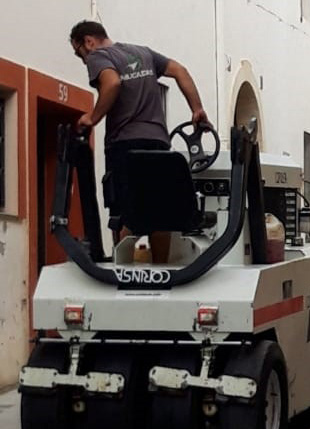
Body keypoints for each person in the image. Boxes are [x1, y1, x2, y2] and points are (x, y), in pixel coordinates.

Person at [69, 20, 209, 263]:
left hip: (125, 144)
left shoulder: (99, 56)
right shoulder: (143, 53)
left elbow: (112, 83)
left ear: (88, 42)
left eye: (78, 53)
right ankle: (161, 269)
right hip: (158, 143)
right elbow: (180, 71)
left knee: (124, 212)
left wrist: (93, 117)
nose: (82, 60)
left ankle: (122, 271)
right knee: (160, 213)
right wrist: (197, 109)